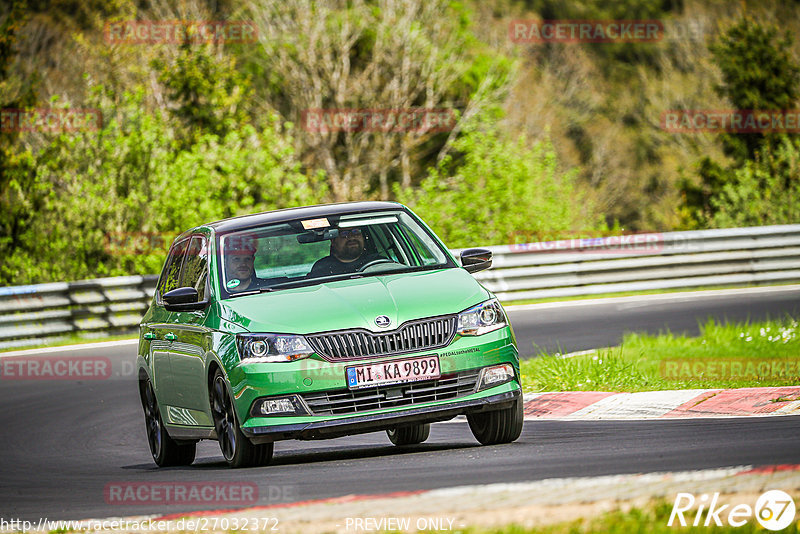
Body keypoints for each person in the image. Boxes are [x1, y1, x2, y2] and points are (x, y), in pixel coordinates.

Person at [310, 227, 383, 276]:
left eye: (356, 232)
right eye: (344, 234)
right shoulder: (321, 269)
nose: (352, 237)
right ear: (333, 241)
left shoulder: (380, 262)